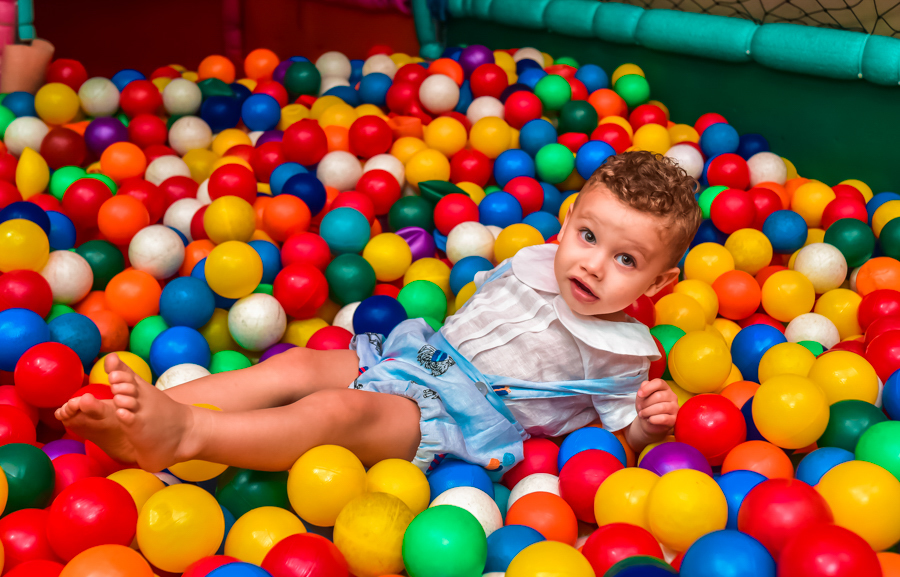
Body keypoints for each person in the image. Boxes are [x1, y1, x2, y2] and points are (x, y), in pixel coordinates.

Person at [56, 151, 702, 476]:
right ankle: (137, 418)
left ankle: (187, 434)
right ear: (567, 222)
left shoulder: (622, 356)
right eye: (588, 236)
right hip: (418, 357)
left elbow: (611, 444)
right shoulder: (536, 259)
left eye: (625, 259)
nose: (593, 264)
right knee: (299, 363)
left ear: (659, 282)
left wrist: (645, 429)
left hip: (462, 418)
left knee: (341, 412)